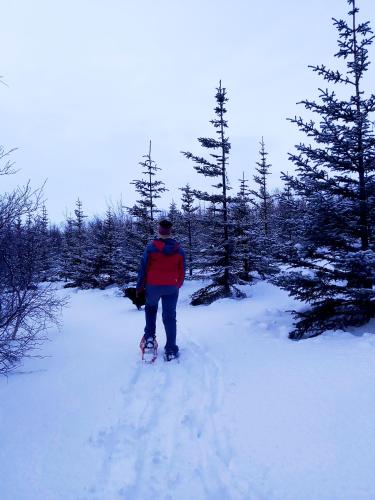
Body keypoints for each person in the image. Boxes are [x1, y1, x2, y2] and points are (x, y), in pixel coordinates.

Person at [136, 219, 186, 360]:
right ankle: (171, 349)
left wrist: (140, 287)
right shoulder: (179, 250)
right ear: (170, 232)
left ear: (159, 230)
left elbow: (143, 269)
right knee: (169, 316)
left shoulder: (151, 248)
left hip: (153, 286)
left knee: (151, 309)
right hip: (171, 287)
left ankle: (150, 339)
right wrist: (177, 284)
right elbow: (182, 270)